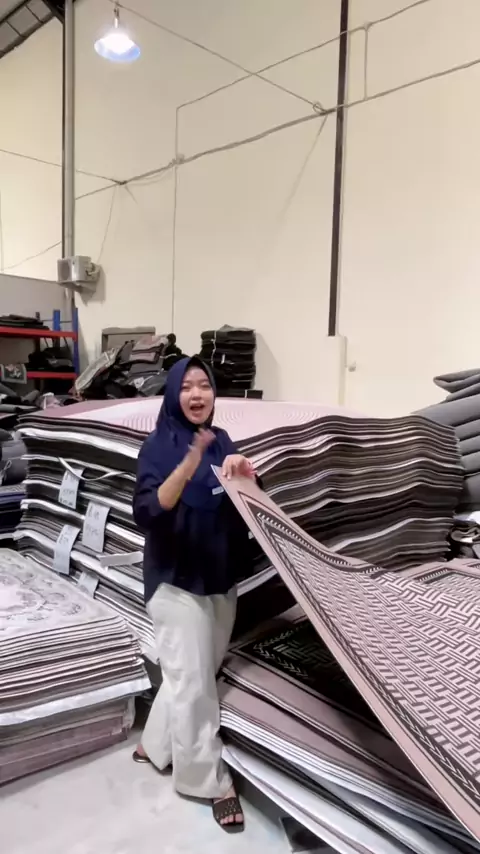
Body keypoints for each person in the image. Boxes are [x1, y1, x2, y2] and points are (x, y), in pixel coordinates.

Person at [132, 356, 256, 832]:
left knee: (194, 673)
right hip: (175, 580)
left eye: (204, 385)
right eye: (187, 387)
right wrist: (186, 467)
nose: (197, 394)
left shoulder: (220, 439)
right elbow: (148, 512)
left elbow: (237, 495)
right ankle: (208, 781)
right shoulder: (158, 446)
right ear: (172, 394)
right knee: (195, 686)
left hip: (219, 575)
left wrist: (244, 471)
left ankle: (154, 745)